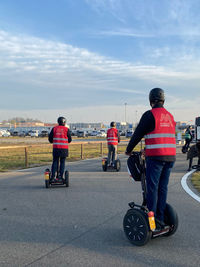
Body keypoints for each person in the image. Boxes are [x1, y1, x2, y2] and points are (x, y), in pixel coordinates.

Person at [125, 88, 176, 229]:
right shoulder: (170, 116)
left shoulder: (150, 115)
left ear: (150, 101)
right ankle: (160, 218)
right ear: (163, 100)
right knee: (162, 188)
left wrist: (128, 150)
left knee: (152, 188)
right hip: (171, 157)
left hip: (156, 158)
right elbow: (163, 136)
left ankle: (152, 221)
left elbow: (137, 134)